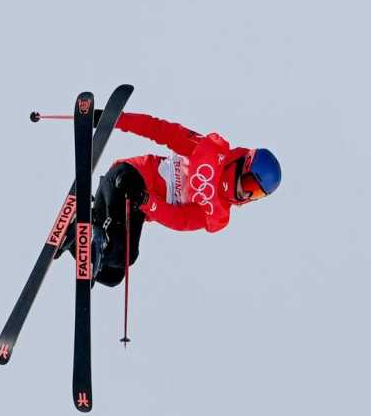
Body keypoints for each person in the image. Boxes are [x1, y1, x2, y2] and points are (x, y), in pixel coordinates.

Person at [90, 111, 281, 287]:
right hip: (129, 178)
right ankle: (94, 224)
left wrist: (146, 200)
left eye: (255, 195)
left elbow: (179, 219)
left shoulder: (217, 214)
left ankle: (77, 238)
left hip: (138, 206)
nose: (246, 195)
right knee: (119, 243)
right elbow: (160, 130)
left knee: (115, 272)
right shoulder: (211, 151)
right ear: (243, 165)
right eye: (250, 185)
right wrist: (115, 120)